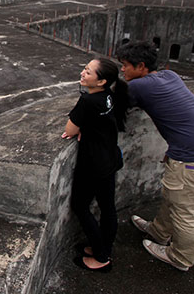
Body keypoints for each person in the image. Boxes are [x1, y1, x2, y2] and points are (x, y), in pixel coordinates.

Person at [115, 41, 194, 272]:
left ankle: (180, 257)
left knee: (185, 212)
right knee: (173, 197)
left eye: (125, 65)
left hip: (193, 162)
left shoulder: (138, 86)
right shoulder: (170, 75)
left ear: (141, 66)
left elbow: (115, 103)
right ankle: (158, 231)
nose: (122, 70)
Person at [62, 58, 127, 273]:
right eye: (85, 69)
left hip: (94, 164)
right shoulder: (108, 96)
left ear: (101, 81)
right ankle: (104, 248)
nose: (83, 73)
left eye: (88, 72)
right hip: (109, 158)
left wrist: (80, 127)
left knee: (80, 206)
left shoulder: (88, 101)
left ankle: (101, 257)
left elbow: (69, 130)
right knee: (107, 207)